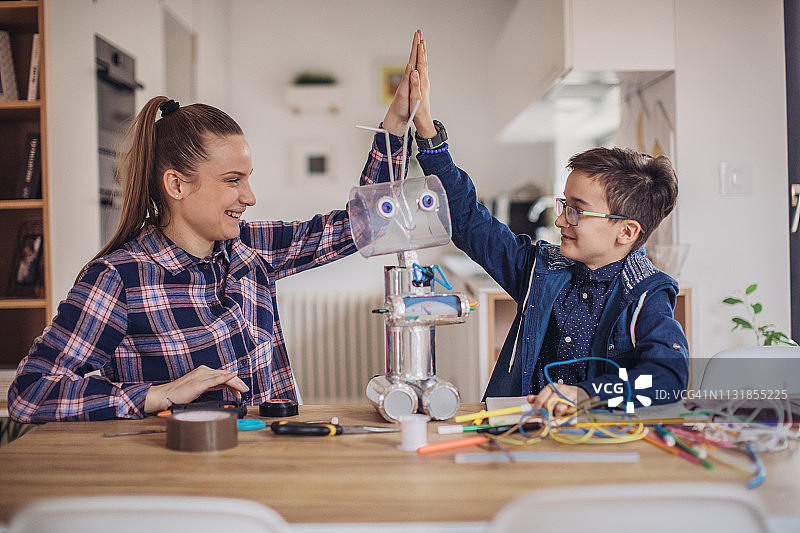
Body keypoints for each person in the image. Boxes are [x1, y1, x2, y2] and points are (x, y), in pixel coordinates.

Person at [9, 96, 405, 423]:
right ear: (177, 185)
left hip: (274, 463)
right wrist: (159, 395)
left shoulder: (251, 249)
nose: (250, 197)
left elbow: (365, 223)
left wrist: (396, 123)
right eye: (233, 180)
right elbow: (32, 393)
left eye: (248, 179)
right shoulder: (118, 278)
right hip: (182, 481)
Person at [361, 30, 689, 416]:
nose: (561, 219)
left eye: (577, 211)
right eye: (564, 204)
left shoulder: (647, 294)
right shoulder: (540, 268)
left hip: (597, 444)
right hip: (522, 432)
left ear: (626, 231)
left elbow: (667, 379)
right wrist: (428, 132)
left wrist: (587, 394)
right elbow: (467, 218)